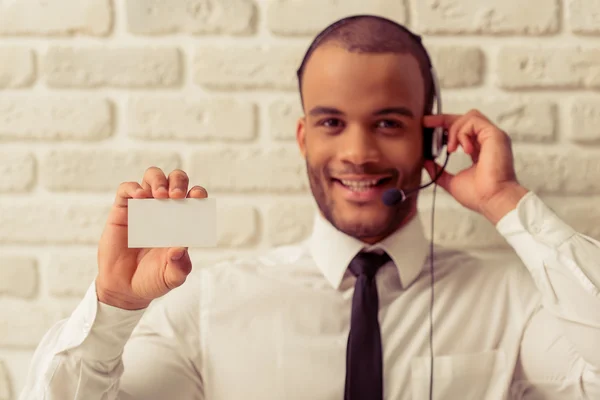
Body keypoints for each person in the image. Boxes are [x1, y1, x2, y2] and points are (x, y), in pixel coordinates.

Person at [18, 15, 600, 400]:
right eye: (331, 122)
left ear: (433, 140)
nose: (358, 152)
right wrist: (114, 308)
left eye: (389, 123)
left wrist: (507, 202)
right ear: (303, 137)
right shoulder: (208, 306)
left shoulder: (511, 299)